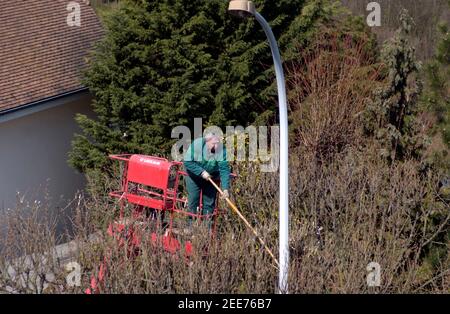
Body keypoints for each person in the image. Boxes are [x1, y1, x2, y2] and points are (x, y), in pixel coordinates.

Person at [183, 133, 231, 227]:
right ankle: (190, 226)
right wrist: (201, 172)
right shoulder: (198, 145)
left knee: (209, 204)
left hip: (211, 177)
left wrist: (225, 188)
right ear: (207, 141)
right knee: (193, 200)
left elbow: (224, 170)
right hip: (194, 176)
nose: (216, 146)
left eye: (218, 143)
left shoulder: (221, 150)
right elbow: (187, 162)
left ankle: (206, 230)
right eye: (214, 143)